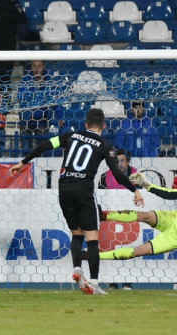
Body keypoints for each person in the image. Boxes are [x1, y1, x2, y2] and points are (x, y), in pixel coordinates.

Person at [10, 108, 143, 295]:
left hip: (64, 188)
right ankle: (95, 284)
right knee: (92, 238)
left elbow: (46, 145)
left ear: (86, 124)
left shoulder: (71, 136)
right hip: (84, 189)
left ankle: (77, 268)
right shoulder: (105, 145)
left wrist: (23, 162)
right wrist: (134, 190)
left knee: (76, 234)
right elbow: (116, 172)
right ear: (104, 126)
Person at [98, 148, 139, 290]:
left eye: (122, 161)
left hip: (130, 217)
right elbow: (100, 197)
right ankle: (112, 281)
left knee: (129, 249)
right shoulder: (105, 176)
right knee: (110, 248)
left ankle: (128, 281)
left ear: (128, 162)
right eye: (117, 161)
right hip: (111, 218)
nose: (119, 164)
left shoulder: (136, 175)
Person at [17, 60, 62, 150]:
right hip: (27, 120)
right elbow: (21, 97)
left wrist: (60, 117)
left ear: (43, 67)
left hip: (43, 120)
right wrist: (35, 87)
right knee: (26, 148)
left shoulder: (50, 82)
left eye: (39, 66)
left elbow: (57, 101)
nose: (37, 68)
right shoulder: (25, 81)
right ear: (31, 67)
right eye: (34, 66)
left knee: (42, 148)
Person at [0, 0, 26, 91]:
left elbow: (22, 18)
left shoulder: (13, 2)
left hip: (8, 42)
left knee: (6, 73)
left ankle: (7, 100)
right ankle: (4, 98)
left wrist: (5, 18)